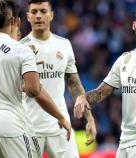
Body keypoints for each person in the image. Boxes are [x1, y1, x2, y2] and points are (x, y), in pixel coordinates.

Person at [74, 2, 136, 158]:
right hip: (125, 141)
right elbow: (101, 93)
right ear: (134, 24)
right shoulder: (124, 59)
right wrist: (83, 97)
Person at [0, 0, 72, 158]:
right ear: (16, 21)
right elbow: (34, 90)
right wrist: (61, 116)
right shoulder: (22, 50)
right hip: (10, 127)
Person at [20, 0, 97, 157]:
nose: (39, 16)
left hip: (61, 126)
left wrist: (89, 119)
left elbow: (74, 84)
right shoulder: (19, 48)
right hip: (29, 128)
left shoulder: (64, 45)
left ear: (51, 15)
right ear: (28, 17)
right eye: (34, 12)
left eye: (43, 11)